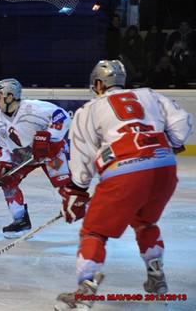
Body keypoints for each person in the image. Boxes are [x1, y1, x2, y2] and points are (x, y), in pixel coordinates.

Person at [54, 60, 193, 311]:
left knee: (94, 232)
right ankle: (156, 278)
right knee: (145, 221)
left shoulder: (90, 109)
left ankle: (85, 292)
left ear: (98, 84)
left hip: (125, 170)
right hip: (164, 167)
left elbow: (82, 154)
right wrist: (170, 142)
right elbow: (182, 123)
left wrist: (77, 190)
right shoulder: (148, 95)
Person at [0, 78, 72, 238]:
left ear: (10, 97)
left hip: (50, 153)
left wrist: (49, 136)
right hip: (23, 156)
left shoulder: (34, 108)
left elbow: (62, 117)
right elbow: (2, 146)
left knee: (66, 187)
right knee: (6, 179)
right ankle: (20, 221)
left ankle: (89, 216)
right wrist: (4, 162)